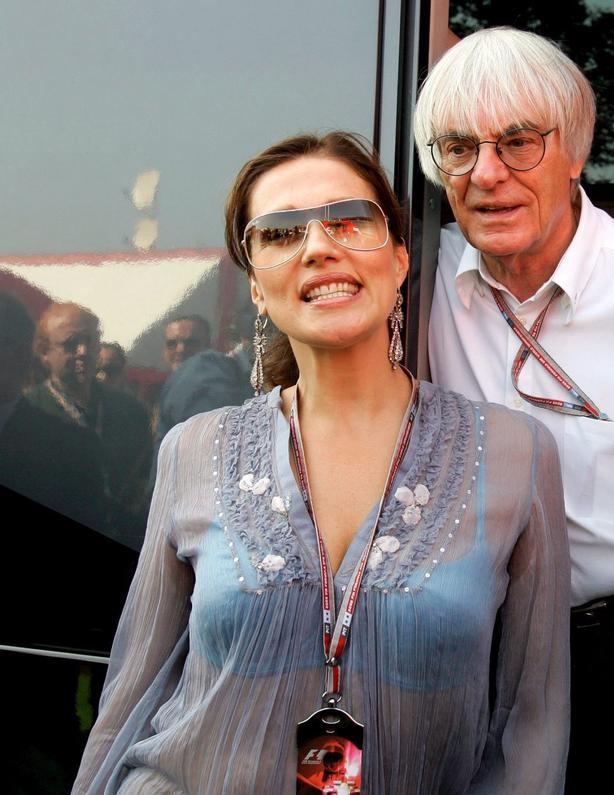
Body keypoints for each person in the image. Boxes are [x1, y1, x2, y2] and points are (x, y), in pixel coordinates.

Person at [72, 131, 570, 794]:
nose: (318, 247)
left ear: (398, 257)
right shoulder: (194, 449)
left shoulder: (515, 452)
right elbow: (132, 694)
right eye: (279, 234)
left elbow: (531, 722)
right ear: (254, 285)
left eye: (347, 220)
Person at [414, 27, 614, 791]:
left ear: (575, 151)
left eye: (518, 142)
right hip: (471, 649)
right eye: (459, 148)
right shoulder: (415, 276)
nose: (487, 174)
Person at [26, 302, 153, 539]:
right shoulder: (27, 414)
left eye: (90, 341)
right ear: (45, 353)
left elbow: (143, 478)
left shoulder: (131, 411)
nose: (83, 351)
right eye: (71, 344)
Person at [156, 313, 252, 445]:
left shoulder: (206, 386)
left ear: (209, 346)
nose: (180, 349)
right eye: (172, 344)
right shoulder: (169, 390)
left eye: (191, 342)